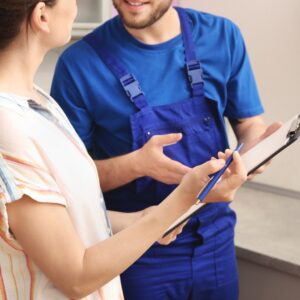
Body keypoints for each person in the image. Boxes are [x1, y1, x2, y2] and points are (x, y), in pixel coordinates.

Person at [0, 1, 248, 299]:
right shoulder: (10, 127)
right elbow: (75, 276)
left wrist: (138, 220)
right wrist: (182, 198)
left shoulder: (37, 102)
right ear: (41, 15)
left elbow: (65, 213)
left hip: (197, 238)